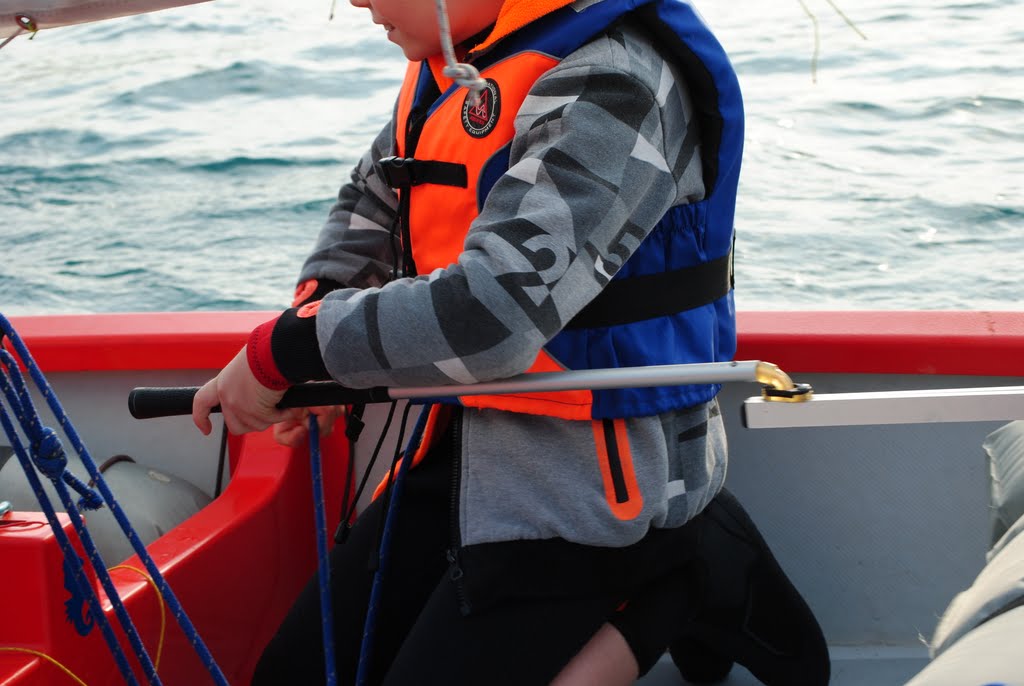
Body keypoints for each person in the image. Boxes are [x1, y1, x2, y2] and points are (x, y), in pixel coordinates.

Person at [192, 0, 830, 683]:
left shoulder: (614, 82)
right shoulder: (461, 63)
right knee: (290, 675)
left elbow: (489, 318)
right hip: (464, 445)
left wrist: (291, 349)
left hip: (595, 486)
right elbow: (376, 198)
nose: (354, 0)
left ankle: (691, 573)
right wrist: (314, 338)